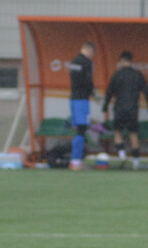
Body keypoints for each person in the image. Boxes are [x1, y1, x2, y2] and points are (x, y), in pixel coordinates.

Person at [102, 50, 148, 171]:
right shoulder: (138, 75)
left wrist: (105, 106)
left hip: (119, 108)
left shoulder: (117, 74)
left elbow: (109, 91)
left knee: (117, 132)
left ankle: (122, 155)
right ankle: (136, 163)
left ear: (121, 61)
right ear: (131, 61)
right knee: (133, 134)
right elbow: (147, 92)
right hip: (133, 109)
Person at [66, 42, 96, 171]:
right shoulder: (87, 63)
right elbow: (88, 81)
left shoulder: (74, 61)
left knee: (79, 129)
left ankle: (75, 160)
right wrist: (93, 93)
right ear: (89, 50)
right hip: (82, 100)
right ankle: (76, 162)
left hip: (73, 98)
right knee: (82, 129)